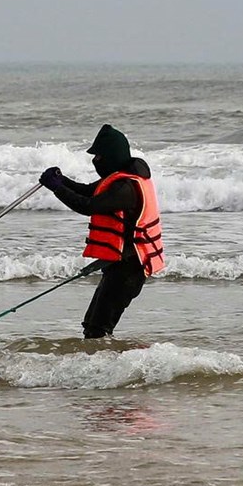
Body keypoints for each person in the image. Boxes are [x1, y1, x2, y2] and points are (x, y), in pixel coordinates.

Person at [38, 124, 165, 339]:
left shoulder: (127, 187)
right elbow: (90, 191)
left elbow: (88, 205)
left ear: (111, 155)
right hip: (119, 266)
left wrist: (57, 189)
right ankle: (104, 366)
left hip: (129, 270)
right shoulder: (123, 176)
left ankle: (110, 369)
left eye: (98, 155)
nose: (95, 160)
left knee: (97, 330)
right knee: (92, 325)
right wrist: (62, 180)